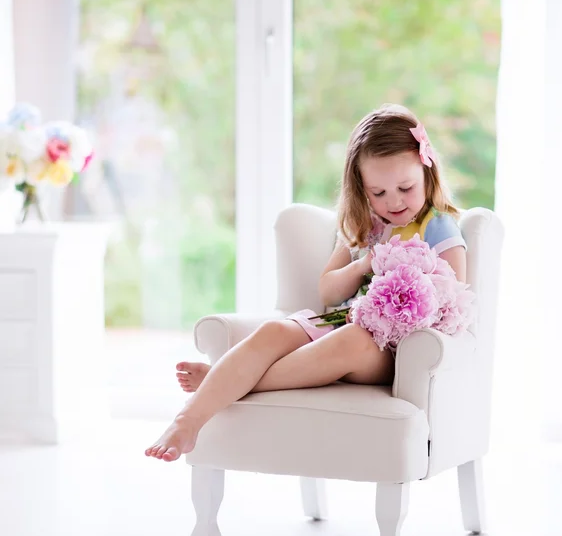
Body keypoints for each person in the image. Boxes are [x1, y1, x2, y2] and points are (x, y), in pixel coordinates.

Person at [145, 104, 467, 462]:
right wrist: (364, 264)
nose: (393, 202)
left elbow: (454, 301)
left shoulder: (438, 227)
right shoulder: (363, 227)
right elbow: (327, 291)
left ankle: (222, 382)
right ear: (361, 188)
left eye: (405, 188)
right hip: (338, 321)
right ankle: (187, 421)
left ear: (427, 173)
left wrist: (408, 285)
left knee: (349, 339)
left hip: (390, 347)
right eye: (378, 193)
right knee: (274, 332)